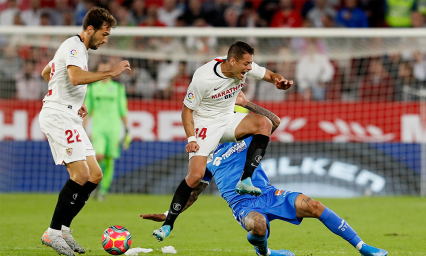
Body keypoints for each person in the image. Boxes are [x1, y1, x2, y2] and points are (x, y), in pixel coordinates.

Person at [142, 92, 388, 256]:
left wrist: (246, 103)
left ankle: (362, 246)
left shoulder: (239, 131)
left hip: (268, 193)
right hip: (242, 206)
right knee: (258, 226)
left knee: (314, 205)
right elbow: (193, 192)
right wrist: (168, 214)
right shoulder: (203, 155)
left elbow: (274, 122)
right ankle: (266, 253)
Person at [152, 41, 292, 242]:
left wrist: (279, 81)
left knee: (264, 124)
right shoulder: (203, 77)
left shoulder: (244, 69)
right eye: (246, 64)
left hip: (228, 119)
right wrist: (191, 138)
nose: (249, 68)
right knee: (195, 176)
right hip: (205, 126)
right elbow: (186, 110)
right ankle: (168, 225)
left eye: (251, 64)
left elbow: (270, 75)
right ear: (232, 61)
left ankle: (246, 180)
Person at [38, 7, 130, 256]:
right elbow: (76, 78)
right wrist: (110, 73)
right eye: (105, 33)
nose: (106, 39)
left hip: (69, 114)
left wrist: (74, 101)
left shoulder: (76, 48)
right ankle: (53, 232)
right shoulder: (74, 45)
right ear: (91, 29)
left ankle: (64, 229)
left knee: (95, 175)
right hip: (58, 116)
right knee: (80, 174)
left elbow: (47, 72)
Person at [83, 60, 131, 201]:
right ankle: (95, 184)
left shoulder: (118, 88)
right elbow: (87, 110)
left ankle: (103, 190)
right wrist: (84, 129)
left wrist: (127, 130)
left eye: (106, 69)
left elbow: (123, 110)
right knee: (98, 157)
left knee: (110, 160)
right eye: (101, 69)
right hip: (98, 128)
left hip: (113, 128)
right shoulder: (92, 89)